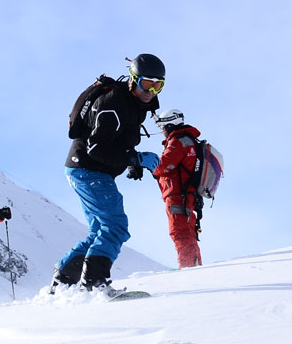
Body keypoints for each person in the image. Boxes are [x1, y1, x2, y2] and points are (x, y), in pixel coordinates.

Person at [51, 55, 164, 292]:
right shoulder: (114, 104)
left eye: (158, 85)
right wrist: (134, 158)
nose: (151, 91)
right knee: (115, 226)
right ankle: (94, 283)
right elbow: (96, 147)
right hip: (88, 169)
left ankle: (63, 282)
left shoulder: (135, 104)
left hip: (85, 169)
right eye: (146, 84)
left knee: (100, 230)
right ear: (133, 80)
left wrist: (131, 159)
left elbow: (118, 139)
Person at [151, 109, 205, 268]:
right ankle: (194, 266)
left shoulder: (178, 141)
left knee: (179, 232)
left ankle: (188, 268)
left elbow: (164, 165)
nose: (161, 130)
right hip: (186, 194)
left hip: (177, 194)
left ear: (169, 125)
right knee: (187, 232)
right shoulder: (188, 140)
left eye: (162, 126)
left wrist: (146, 164)